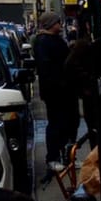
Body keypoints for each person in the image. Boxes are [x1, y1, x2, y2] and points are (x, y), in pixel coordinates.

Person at [33, 12, 78, 168]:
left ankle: (68, 155)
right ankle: (53, 157)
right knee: (57, 123)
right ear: (51, 24)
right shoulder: (43, 42)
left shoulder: (54, 40)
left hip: (64, 90)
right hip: (55, 91)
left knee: (69, 123)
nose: (60, 24)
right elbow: (47, 68)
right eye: (57, 22)